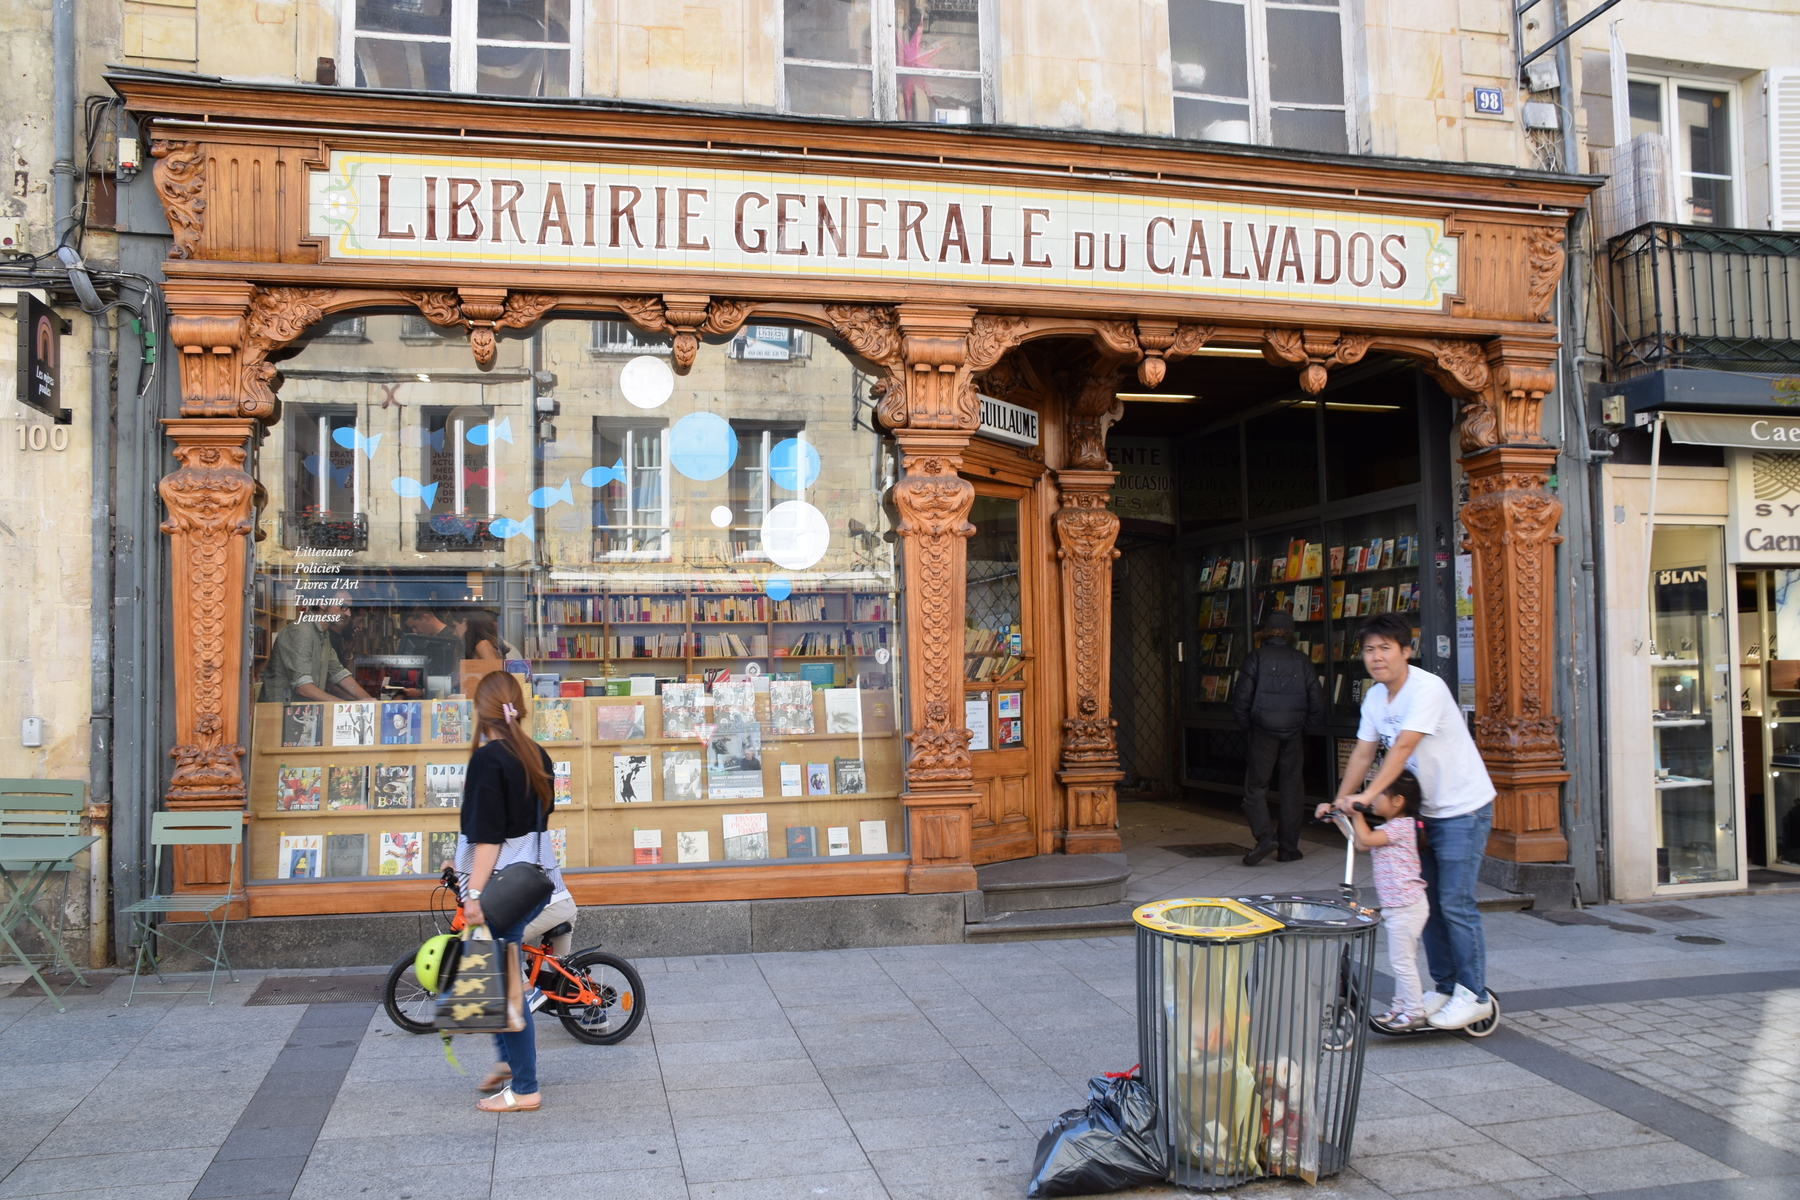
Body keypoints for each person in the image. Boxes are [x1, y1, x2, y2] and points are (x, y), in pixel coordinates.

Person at [1335, 612, 1497, 1032]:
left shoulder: (1427, 688)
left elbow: (1403, 747)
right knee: (1429, 906)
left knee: (1455, 903)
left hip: (1463, 809)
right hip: (1424, 816)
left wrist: (1367, 797)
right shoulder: (1376, 698)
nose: (1376, 657)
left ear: (1407, 651)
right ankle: (1445, 987)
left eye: (1385, 648)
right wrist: (1340, 801)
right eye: (1369, 650)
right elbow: (1363, 752)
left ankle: (1474, 995)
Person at [457, 670, 560, 1112]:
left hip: (498, 888)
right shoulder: (537, 754)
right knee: (496, 975)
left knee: (506, 989)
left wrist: (474, 895)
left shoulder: (488, 760)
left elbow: (489, 839)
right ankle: (505, 1063)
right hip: (529, 883)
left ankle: (525, 1087)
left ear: (481, 713)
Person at [1318, 770, 1430, 1033]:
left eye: (1378, 794)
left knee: (1402, 962)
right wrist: (1337, 816)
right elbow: (1360, 843)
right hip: (1399, 906)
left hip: (1407, 907)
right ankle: (1399, 1008)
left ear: (1397, 801)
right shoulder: (1391, 828)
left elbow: (1366, 839)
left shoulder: (1402, 826)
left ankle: (1414, 1012)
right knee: (1401, 960)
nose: (1371, 799)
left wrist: (1355, 811)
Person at [1229, 611, 1325, 865]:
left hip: (1263, 732)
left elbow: (1241, 701)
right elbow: (1317, 703)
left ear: (1266, 633)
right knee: (1292, 789)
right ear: (1290, 635)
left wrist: (1251, 727)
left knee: (1256, 787)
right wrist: (1302, 728)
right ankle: (1288, 849)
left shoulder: (1256, 658)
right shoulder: (1302, 660)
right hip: (1293, 733)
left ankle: (1265, 837)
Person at [259, 597, 374, 705]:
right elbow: (303, 687)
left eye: (348, 608)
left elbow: (339, 673)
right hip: (278, 714)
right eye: (342, 606)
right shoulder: (300, 631)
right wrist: (346, 707)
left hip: (300, 713)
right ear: (322, 603)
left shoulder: (323, 634)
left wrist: (371, 702)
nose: (348, 613)